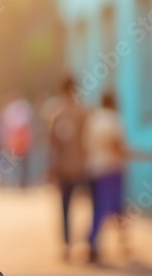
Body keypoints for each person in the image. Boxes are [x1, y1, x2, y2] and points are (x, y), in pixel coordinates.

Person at [83, 91, 128, 263]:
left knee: (100, 208)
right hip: (110, 169)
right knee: (107, 208)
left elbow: (86, 144)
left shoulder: (93, 120)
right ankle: (92, 242)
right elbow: (117, 145)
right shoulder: (114, 120)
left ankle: (116, 241)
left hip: (93, 168)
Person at [47, 76, 89, 261]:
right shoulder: (83, 113)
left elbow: (53, 144)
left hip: (64, 168)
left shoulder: (58, 114)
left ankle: (67, 245)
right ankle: (91, 242)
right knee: (91, 204)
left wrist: (52, 168)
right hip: (83, 166)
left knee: (65, 207)